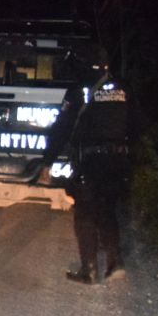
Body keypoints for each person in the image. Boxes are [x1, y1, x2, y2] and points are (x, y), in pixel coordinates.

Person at [42, 44, 130, 284]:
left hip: (90, 161)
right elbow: (136, 123)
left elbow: (62, 128)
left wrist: (48, 161)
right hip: (118, 160)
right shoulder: (122, 88)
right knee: (107, 209)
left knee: (85, 212)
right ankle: (115, 262)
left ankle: (89, 270)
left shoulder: (80, 91)